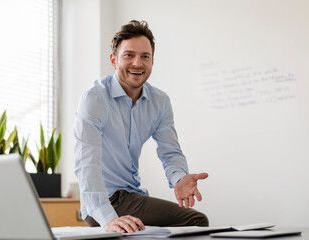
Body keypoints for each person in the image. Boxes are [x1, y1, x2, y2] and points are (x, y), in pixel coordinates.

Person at [73, 20, 209, 233]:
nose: (137, 63)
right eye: (129, 55)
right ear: (113, 60)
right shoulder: (95, 99)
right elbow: (86, 163)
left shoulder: (159, 102)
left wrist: (179, 178)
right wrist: (108, 218)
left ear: (152, 61)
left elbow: (170, 152)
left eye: (145, 56)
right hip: (103, 201)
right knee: (196, 221)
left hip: (132, 195)